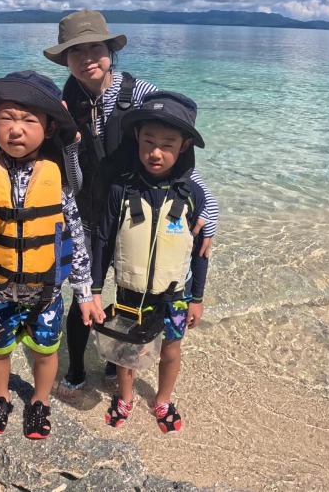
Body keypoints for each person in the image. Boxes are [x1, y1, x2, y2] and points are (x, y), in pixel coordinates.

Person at [43, 10, 218, 401]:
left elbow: (177, 154)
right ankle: (74, 367)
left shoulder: (141, 95)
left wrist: (209, 211)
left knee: (128, 292)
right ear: (65, 60)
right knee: (83, 294)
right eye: (75, 53)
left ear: (111, 51)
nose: (87, 58)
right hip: (87, 214)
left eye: (95, 48)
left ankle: (113, 363)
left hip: (133, 214)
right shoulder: (63, 102)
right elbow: (61, 167)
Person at [0, 71, 98, 439]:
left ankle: (39, 401)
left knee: (46, 353)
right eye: (8, 118)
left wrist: (86, 293)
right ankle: (0, 398)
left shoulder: (56, 176)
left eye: (29, 120)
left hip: (45, 295)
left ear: (47, 128)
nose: (17, 129)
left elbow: (75, 235)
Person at [91, 91, 211, 431]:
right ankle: (125, 397)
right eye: (148, 142)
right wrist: (96, 290)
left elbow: (201, 251)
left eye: (167, 144)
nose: (155, 152)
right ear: (136, 138)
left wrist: (197, 298)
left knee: (171, 350)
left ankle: (162, 400)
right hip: (130, 292)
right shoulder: (121, 189)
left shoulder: (192, 195)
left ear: (184, 145)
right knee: (129, 349)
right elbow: (102, 240)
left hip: (174, 294)